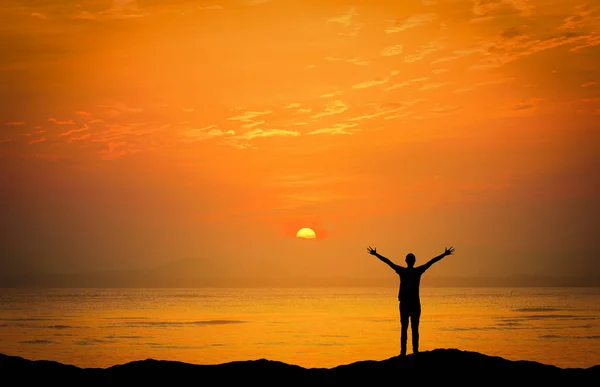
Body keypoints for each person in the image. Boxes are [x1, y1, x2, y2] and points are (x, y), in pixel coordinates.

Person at [367, 245, 455, 356]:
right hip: (413, 304)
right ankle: (415, 351)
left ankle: (403, 352)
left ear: (406, 261)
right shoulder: (417, 271)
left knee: (404, 328)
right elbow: (431, 262)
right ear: (414, 261)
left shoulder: (403, 271)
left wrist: (376, 255)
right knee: (415, 328)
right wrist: (444, 254)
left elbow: (388, 262)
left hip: (405, 304)